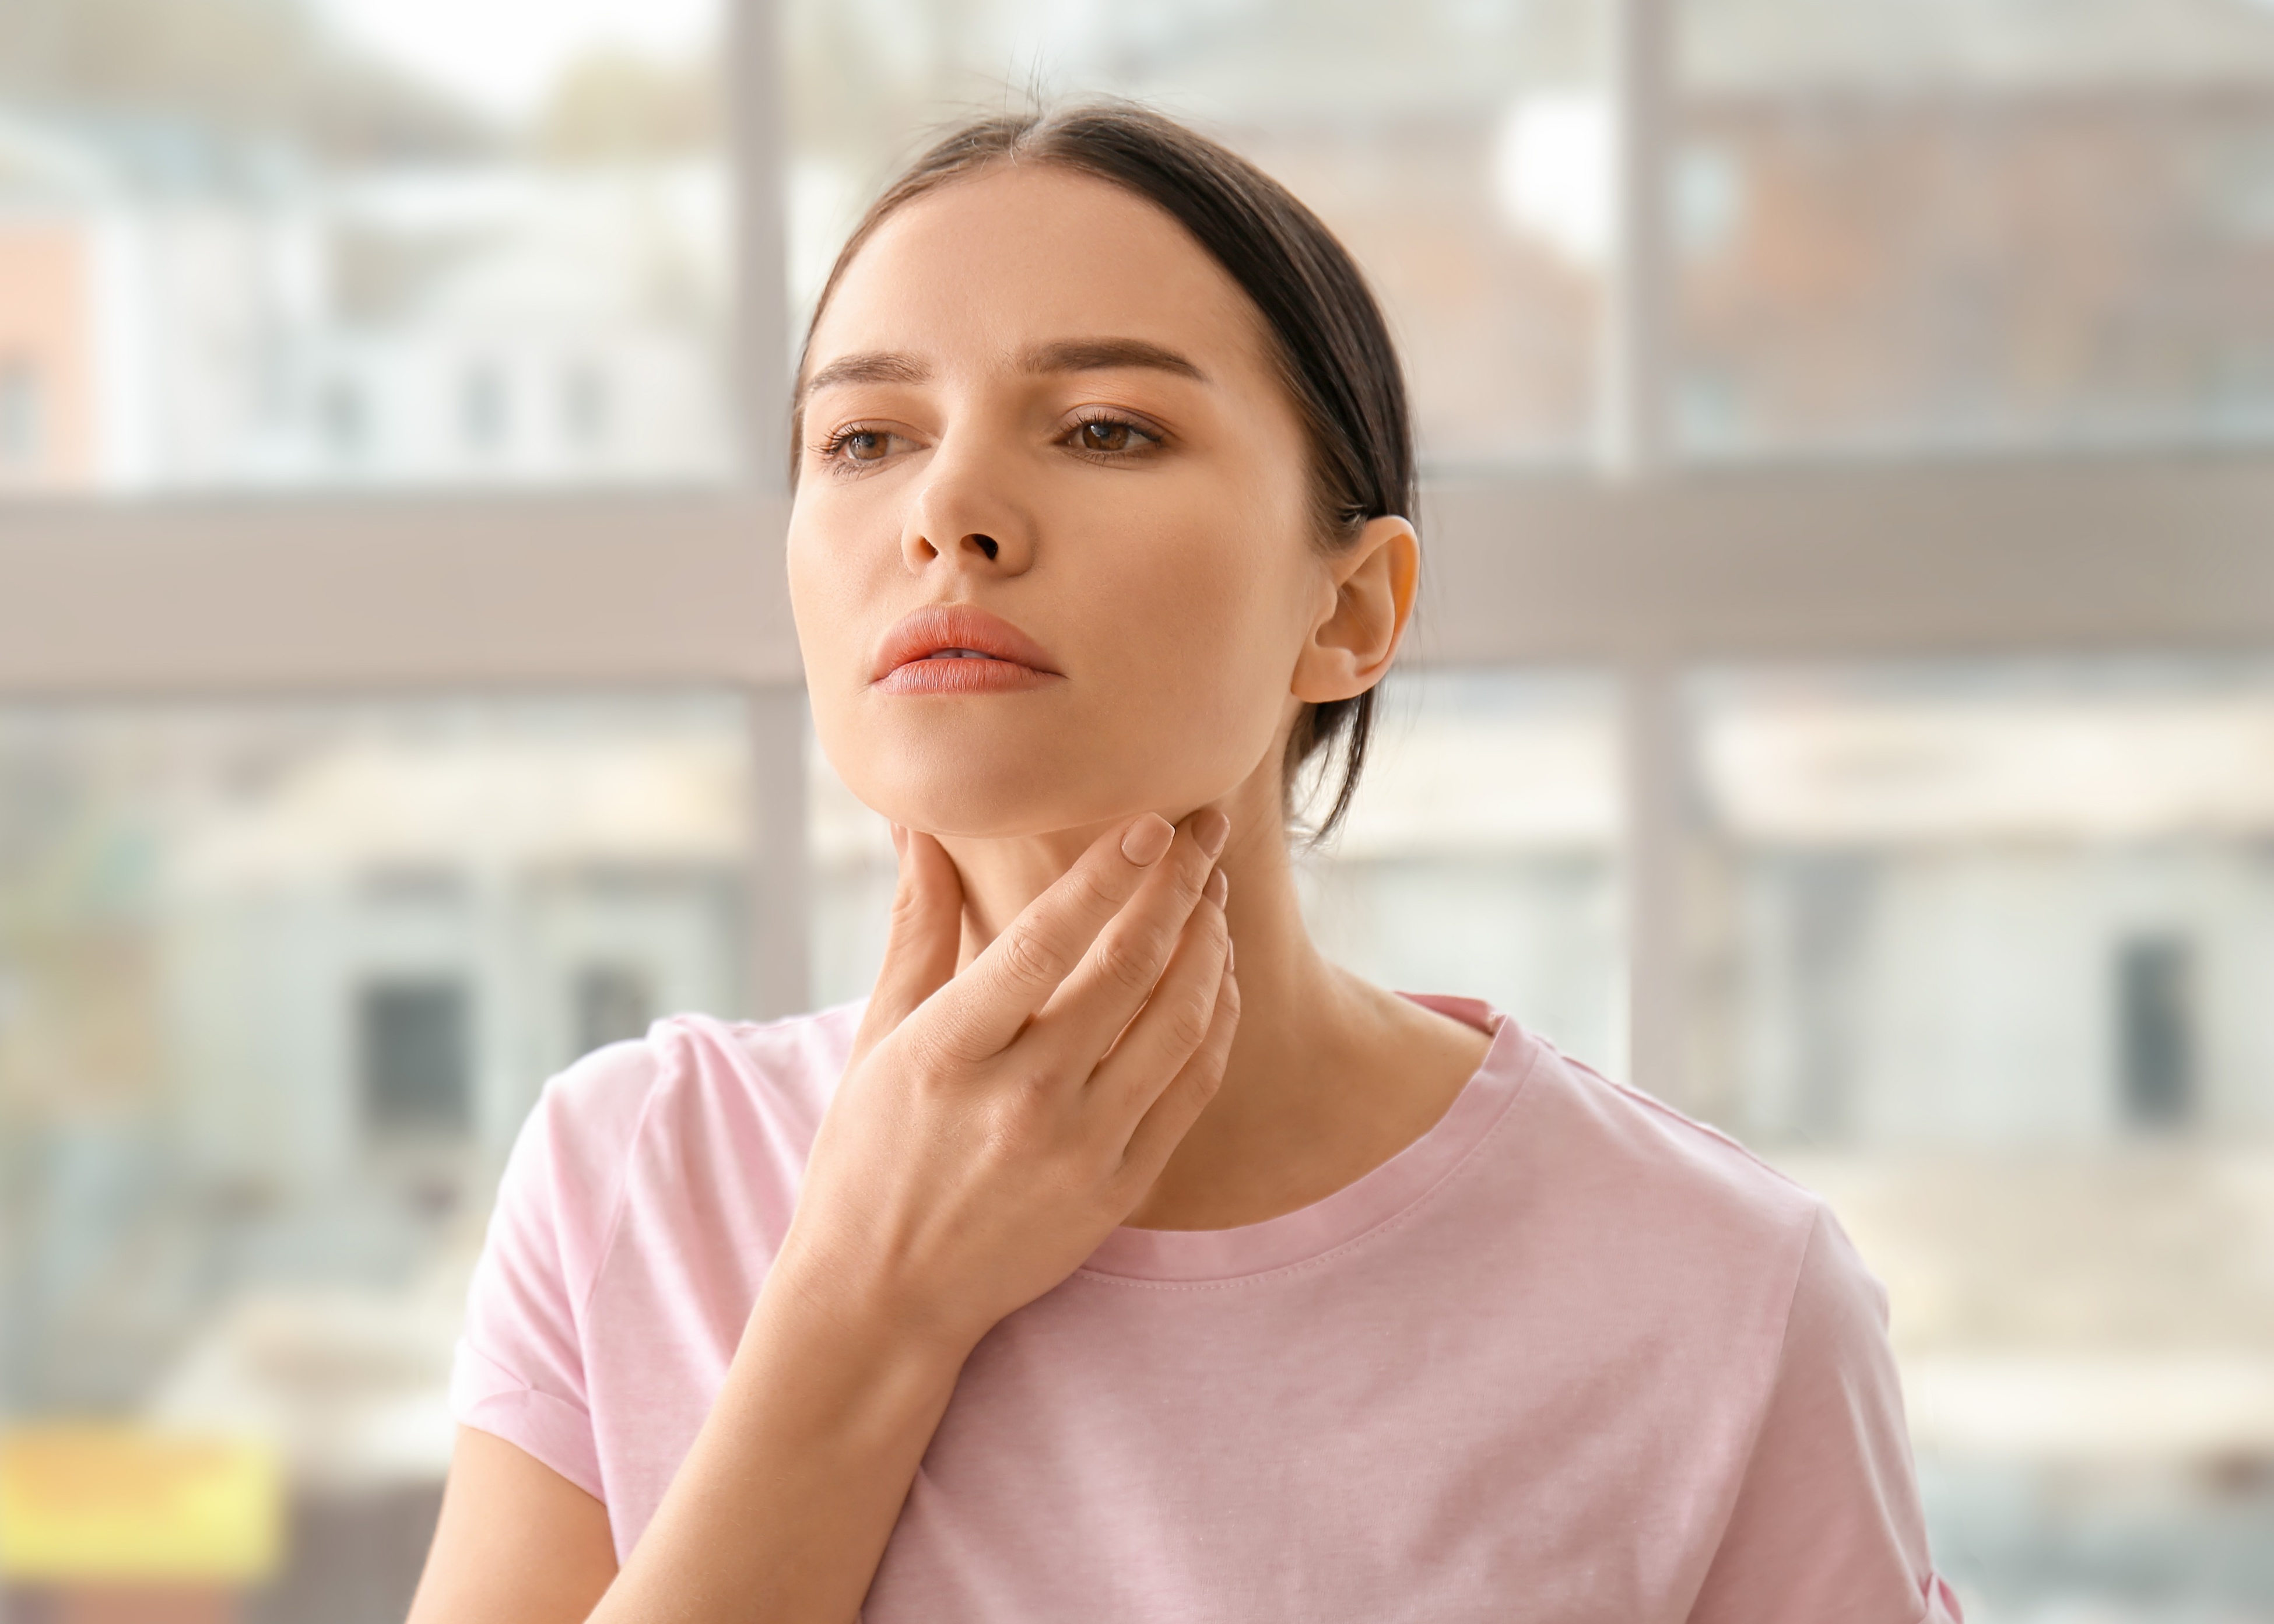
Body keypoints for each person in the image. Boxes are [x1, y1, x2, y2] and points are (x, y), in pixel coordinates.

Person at [406, 103, 1962, 1623]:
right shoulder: (632, 1175)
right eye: (866, 438)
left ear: (1349, 609)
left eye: (1106, 429)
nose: (947, 513)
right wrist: (866, 1303)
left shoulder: (1717, 1291)